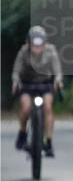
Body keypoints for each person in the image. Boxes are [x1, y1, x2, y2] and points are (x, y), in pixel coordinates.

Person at [11, 26, 63, 157]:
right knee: (26, 107)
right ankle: (23, 132)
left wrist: (58, 80)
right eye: (34, 43)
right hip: (27, 84)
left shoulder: (51, 51)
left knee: (48, 107)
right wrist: (16, 81)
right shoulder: (23, 52)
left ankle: (48, 141)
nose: (37, 47)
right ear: (29, 42)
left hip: (45, 84)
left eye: (40, 43)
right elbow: (16, 70)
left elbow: (57, 70)